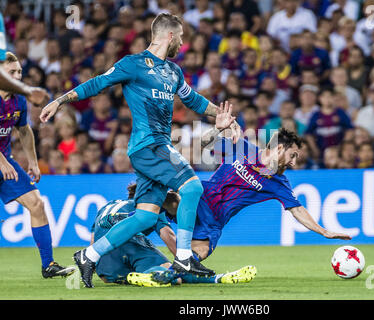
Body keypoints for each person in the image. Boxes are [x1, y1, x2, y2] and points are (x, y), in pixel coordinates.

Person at [39, 13, 240, 287]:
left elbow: (192, 100)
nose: (182, 43)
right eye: (180, 37)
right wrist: (60, 101)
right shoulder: (133, 64)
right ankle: (183, 257)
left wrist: (222, 116)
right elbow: (97, 83)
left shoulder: (174, 71)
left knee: (145, 215)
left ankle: (89, 255)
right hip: (148, 145)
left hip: (159, 146)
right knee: (192, 187)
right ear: (169, 35)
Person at [172, 127, 352, 261]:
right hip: (199, 198)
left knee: (199, 254)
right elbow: (204, 143)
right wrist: (218, 128)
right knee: (170, 199)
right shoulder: (242, 148)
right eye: (293, 155)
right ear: (280, 148)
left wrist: (323, 231)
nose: (293, 163)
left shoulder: (278, 182)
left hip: (214, 222)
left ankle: (169, 273)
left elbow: (297, 210)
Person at [91, 184, 257, 287]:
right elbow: (169, 236)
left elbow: (93, 241)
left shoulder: (109, 205)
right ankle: (219, 278)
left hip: (103, 257)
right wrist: (186, 262)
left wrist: (96, 267)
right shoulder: (152, 207)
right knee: (174, 275)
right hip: (129, 240)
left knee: (111, 277)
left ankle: (130, 277)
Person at [0, 52, 74, 278]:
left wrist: (32, 161)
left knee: (37, 204)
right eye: (12, 72)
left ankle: (48, 265)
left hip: (5, 163)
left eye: (19, 71)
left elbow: (23, 129)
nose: (18, 76)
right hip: (2, 161)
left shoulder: (19, 99)